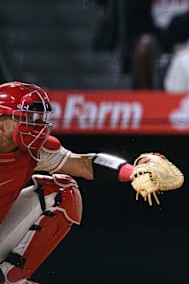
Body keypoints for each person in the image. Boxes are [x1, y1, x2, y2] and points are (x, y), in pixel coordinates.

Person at [0, 82, 165, 283]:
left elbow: (85, 164)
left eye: (35, 119)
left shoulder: (33, 151)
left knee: (62, 191)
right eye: (24, 117)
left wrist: (133, 172)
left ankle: (10, 277)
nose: (34, 126)